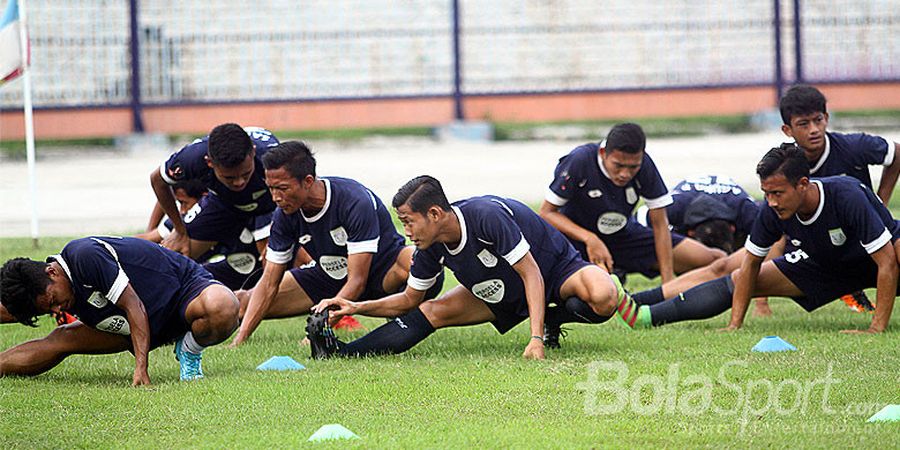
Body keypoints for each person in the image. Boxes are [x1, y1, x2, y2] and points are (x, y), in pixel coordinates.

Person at [305, 175, 644, 359]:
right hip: (499, 290)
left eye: (409, 222)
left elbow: (532, 273)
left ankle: (550, 319)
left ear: (435, 214)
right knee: (434, 310)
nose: (406, 231)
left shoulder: (486, 216)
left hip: (553, 270)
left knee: (603, 296)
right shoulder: (428, 245)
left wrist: (536, 339)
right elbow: (409, 301)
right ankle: (344, 354)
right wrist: (355, 306)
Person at [631, 144, 899, 333]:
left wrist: (876, 327)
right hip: (824, 264)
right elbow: (750, 264)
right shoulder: (771, 209)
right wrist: (735, 323)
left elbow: (886, 262)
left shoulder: (846, 194)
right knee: (736, 278)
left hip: (878, 258)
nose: (770, 201)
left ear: (803, 184)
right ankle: (644, 313)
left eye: (778, 193)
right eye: (766, 193)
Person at [230, 142, 441, 346]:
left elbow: (358, 280)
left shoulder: (353, 200)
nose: (276, 197)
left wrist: (318, 330)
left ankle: (402, 315)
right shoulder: (284, 213)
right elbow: (269, 282)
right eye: (271, 188)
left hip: (382, 273)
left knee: (416, 259)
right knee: (240, 303)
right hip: (329, 276)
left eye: (282, 188)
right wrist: (240, 339)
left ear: (308, 181)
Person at [0, 237, 239, 385]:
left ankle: (189, 349)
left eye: (54, 300)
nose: (57, 309)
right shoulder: (47, 292)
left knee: (223, 306)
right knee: (62, 338)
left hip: (179, 296)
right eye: (48, 309)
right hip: (133, 326)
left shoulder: (84, 256)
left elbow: (133, 305)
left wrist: (141, 369)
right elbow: (8, 310)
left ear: (52, 272)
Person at [539, 123, 725, 286]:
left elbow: (660, 223)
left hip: (623, 235)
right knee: (594, 290)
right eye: (618, 165)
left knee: (715, 259)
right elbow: (547, 213)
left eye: (632, 167)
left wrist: (668, 281)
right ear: (603, 153)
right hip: (578, 242)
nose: (625, 174)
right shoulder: (579, 160)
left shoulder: (645, 164)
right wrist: (590, 239)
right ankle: (606, 274)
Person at [150, 123, 279, 259]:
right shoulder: (192, 158)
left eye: (246, 174)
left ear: (253, 153)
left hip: (270, 202)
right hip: (224, 203)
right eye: (229, 177)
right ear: (210, 163)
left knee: (278, 258)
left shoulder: (270, 158)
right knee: (177, 256)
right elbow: (158, 180)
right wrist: (179, 229)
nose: (239, 182)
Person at [779, 84, 900, 205]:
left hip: (859, 222)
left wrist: (881, 203)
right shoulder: (782, 164)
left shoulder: (853, 147)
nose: (814, 129)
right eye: (803, 124)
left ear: (826, 118)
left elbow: (896, 152)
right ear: (787, 130)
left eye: (818, 120)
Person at [139, 180, 265, 292]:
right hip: (228, 265)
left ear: (204, 200)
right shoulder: (186, 220)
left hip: (250, 271)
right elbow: (149, 237)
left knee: (183, 279)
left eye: (184, 203)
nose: (182, 210)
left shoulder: (217, 213)